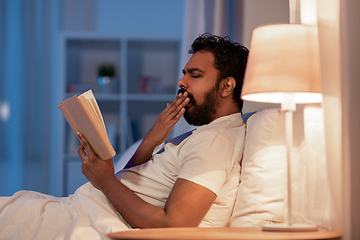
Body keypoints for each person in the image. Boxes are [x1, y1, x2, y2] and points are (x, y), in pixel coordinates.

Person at [77, 33, 249, 228]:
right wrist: (152, 139)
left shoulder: (215, 140)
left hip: (88, 217)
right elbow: (131, 182)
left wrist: (104, 180)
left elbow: (174, 225)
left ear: (226, 86)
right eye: (184, 73)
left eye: (195, 74)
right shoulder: (207, 133)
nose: (181, 82)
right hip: (86, 210)